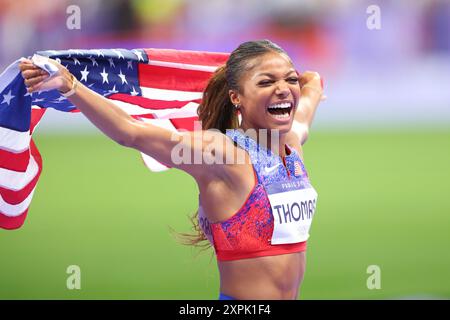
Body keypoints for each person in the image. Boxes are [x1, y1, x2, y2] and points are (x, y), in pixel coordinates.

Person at [19, 40, 324, 300]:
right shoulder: (220, 154)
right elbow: (131, 132)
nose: (283, 89)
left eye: (289, 80)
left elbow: (310, 92)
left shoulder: (292, 145)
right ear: (236, 98)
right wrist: (70, 85)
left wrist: (309, 80)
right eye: (266, 82)